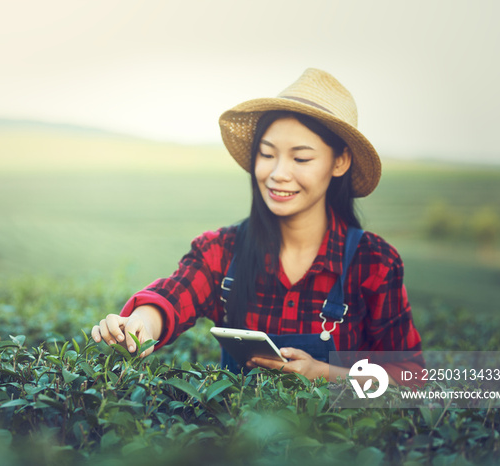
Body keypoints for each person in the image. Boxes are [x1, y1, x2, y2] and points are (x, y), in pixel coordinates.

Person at [91, 68, 423, 384]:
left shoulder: (374, 263)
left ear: (340, 162)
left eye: (301, 158)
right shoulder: (221, 251)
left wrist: (326, 374)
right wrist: (141, 324)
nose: (278, 173)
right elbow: (174, 296)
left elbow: (411, 376)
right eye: (267, 155)